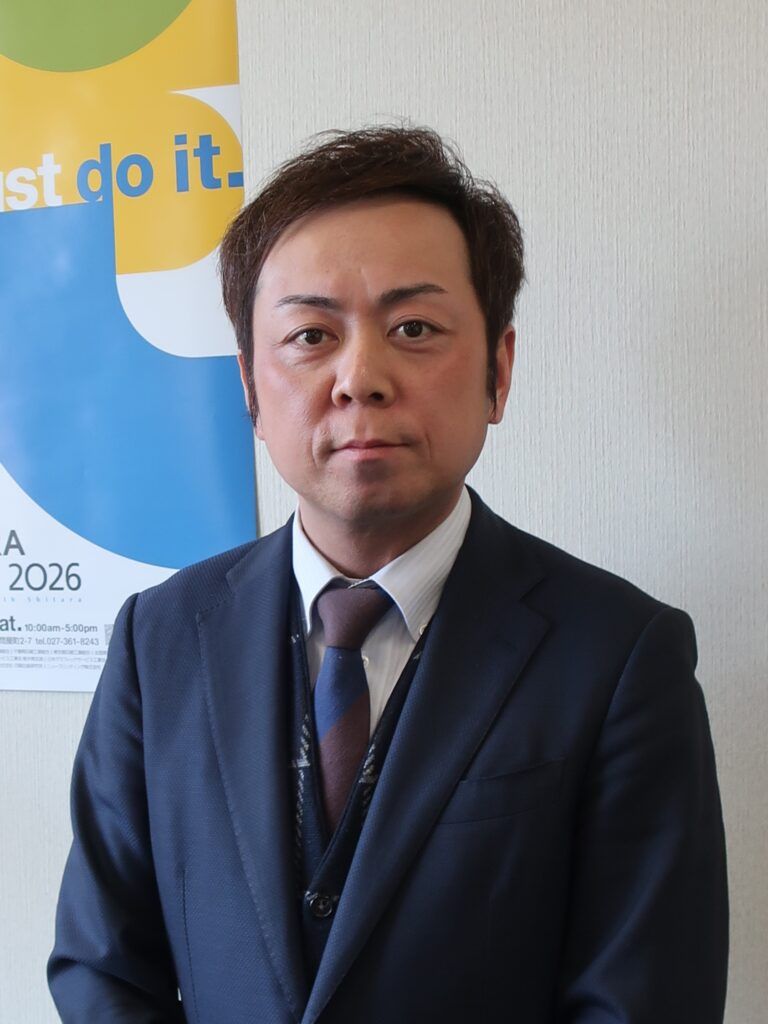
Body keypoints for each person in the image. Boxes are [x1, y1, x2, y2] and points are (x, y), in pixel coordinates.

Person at [48, 125, 728, 1023]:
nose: (359, 377)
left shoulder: (620, 655)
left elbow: (642, 1000)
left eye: (414, 328)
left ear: (499, 370)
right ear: (249, 385)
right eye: (310, 335)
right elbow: (102, 967)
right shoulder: (160, 637)